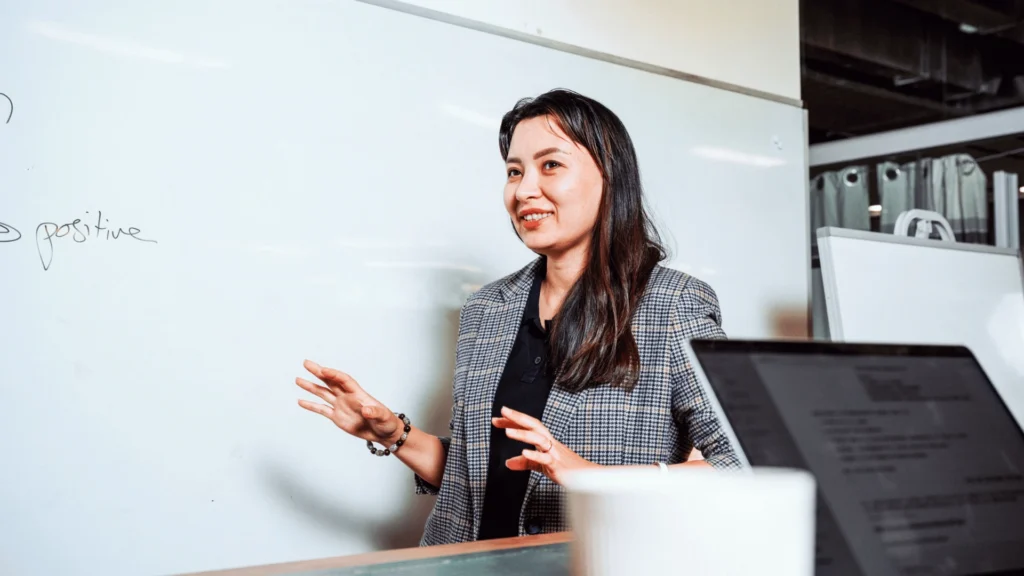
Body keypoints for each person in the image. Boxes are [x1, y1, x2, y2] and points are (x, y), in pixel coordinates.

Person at [295, 88, 738, 546]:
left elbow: (745, 465)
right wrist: (395, 434)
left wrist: (590, 477)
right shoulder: (486, 308)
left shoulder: (672, 304)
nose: (524, 190)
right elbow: (474, 475)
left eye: (551, 165)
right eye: (514, 171)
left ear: (610, 177)